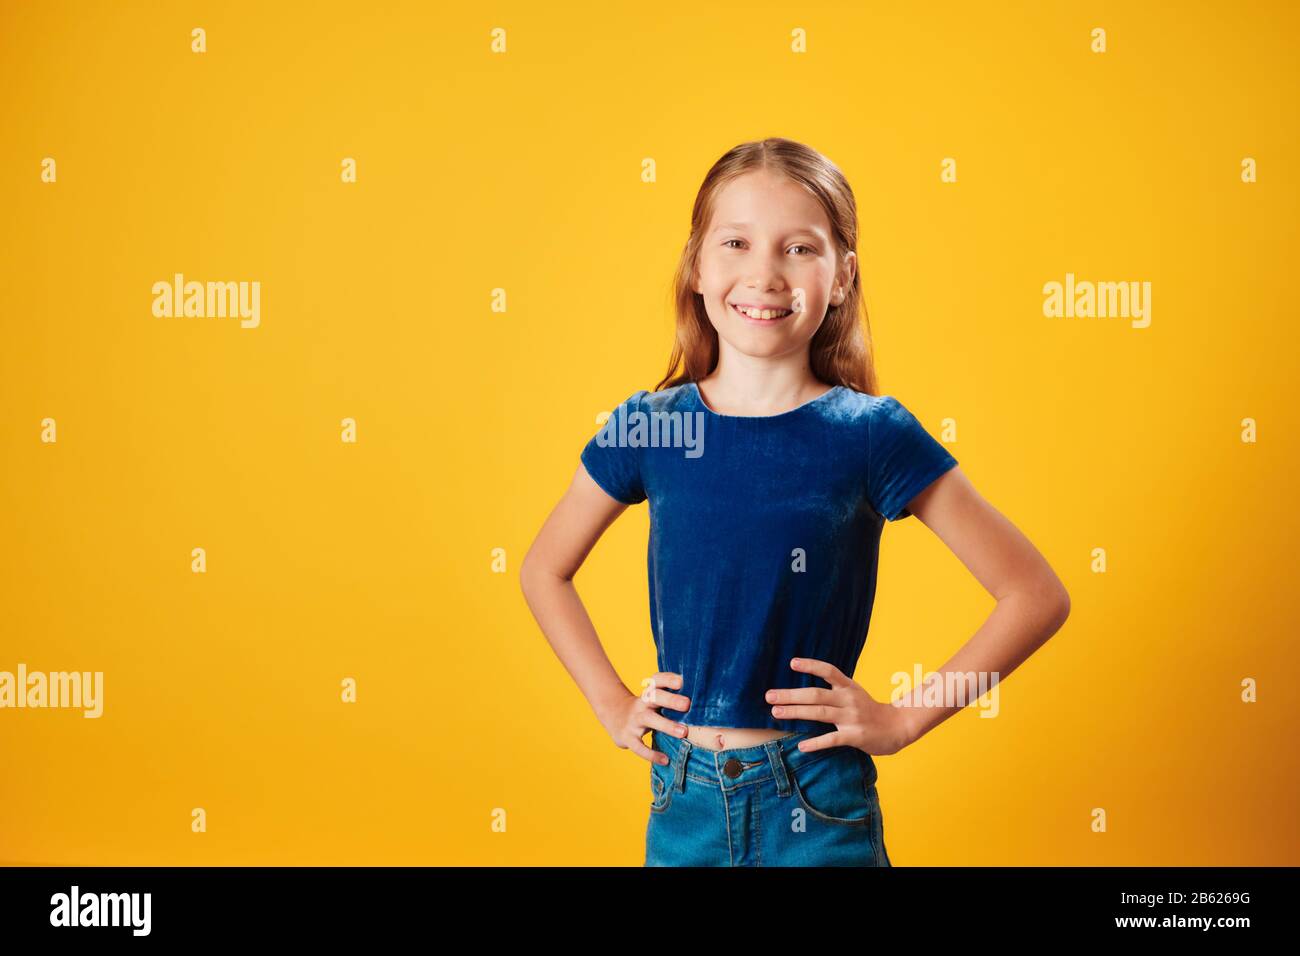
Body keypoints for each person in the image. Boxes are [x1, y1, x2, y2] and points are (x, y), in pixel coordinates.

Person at [519, 137, 1070, 866]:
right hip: (684, 797)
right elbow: (542, 569)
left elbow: (1034, 595)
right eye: (737, 242)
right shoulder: (655, 424)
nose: (764, 274)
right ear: (697, 266)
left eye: (799, 249)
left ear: (842, 276)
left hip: (816, 799)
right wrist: (610, 702)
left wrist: (903, 720)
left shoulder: (871, 435)